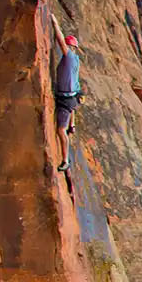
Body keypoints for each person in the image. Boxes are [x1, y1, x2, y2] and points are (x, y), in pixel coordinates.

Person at [51, 16, 81, 171]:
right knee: (72, 104)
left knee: (60, 130)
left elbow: (60, 40)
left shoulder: (69, 56)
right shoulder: (76, 60)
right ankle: (72, 123)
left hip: (65, 99)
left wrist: (55, 23)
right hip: (71, 98)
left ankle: (65, 160)